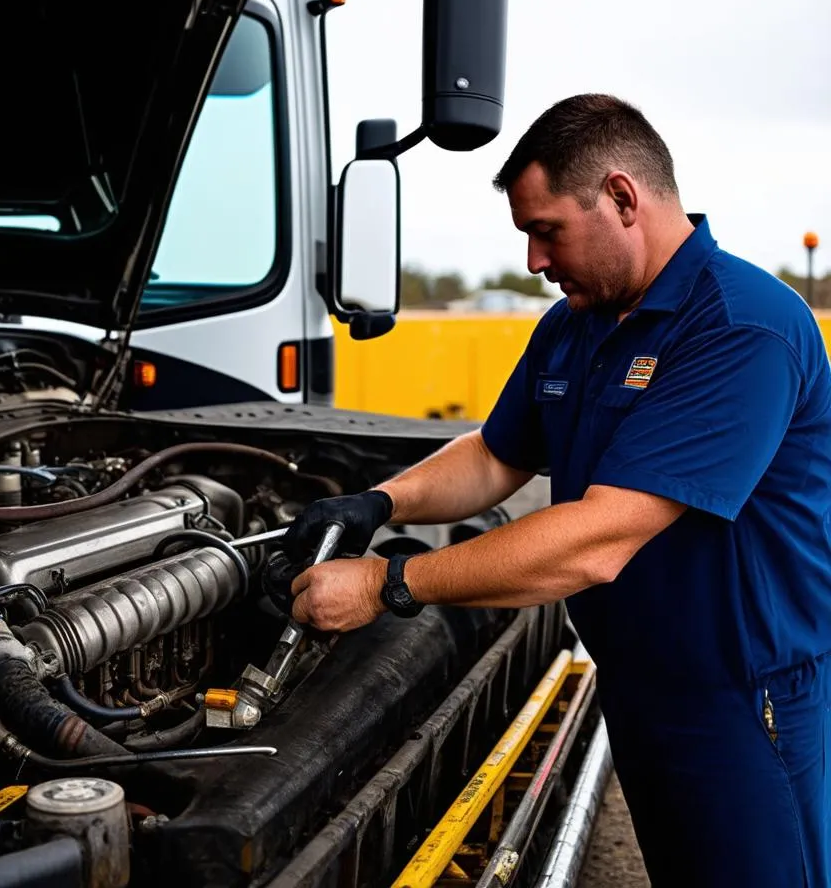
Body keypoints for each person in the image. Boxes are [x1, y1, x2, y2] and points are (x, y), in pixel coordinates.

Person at [265, 94, 831, 888]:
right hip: (639, 684)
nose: (534, 260)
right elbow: (498, 456)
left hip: (742, 699)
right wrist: (380, 504)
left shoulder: (739, 327)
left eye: (547, 230)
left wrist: (389, 583)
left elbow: (600, 538)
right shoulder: (577, 322)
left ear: (623, 198)